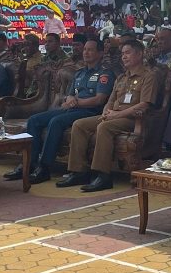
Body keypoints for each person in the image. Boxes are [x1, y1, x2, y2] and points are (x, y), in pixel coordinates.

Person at [4, 39, 115, 185]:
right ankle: (29, 163)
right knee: (34, 120)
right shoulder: (80, 73)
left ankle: (44, 167)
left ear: (100, 53)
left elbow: (100, 99)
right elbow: (69, 94)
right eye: (85, 49)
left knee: (55, 122)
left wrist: (77, 102)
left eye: (90, 50)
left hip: (90, 111)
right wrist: (70, 99)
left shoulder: (104, 74)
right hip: (71, 108)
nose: (86, 52)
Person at [58, 39, 158, 192]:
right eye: (122, 54)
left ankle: (103, 176)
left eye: (128, 53)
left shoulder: (148, 76)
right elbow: (109, 101)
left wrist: (115, 116)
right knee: (79, 124)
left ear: (139, 54)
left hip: (132, 118)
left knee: (104, 127)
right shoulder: (121, 77)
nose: (124, 57)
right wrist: (106, 112)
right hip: (113, 116)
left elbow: (144, 105)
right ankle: (78, 171)